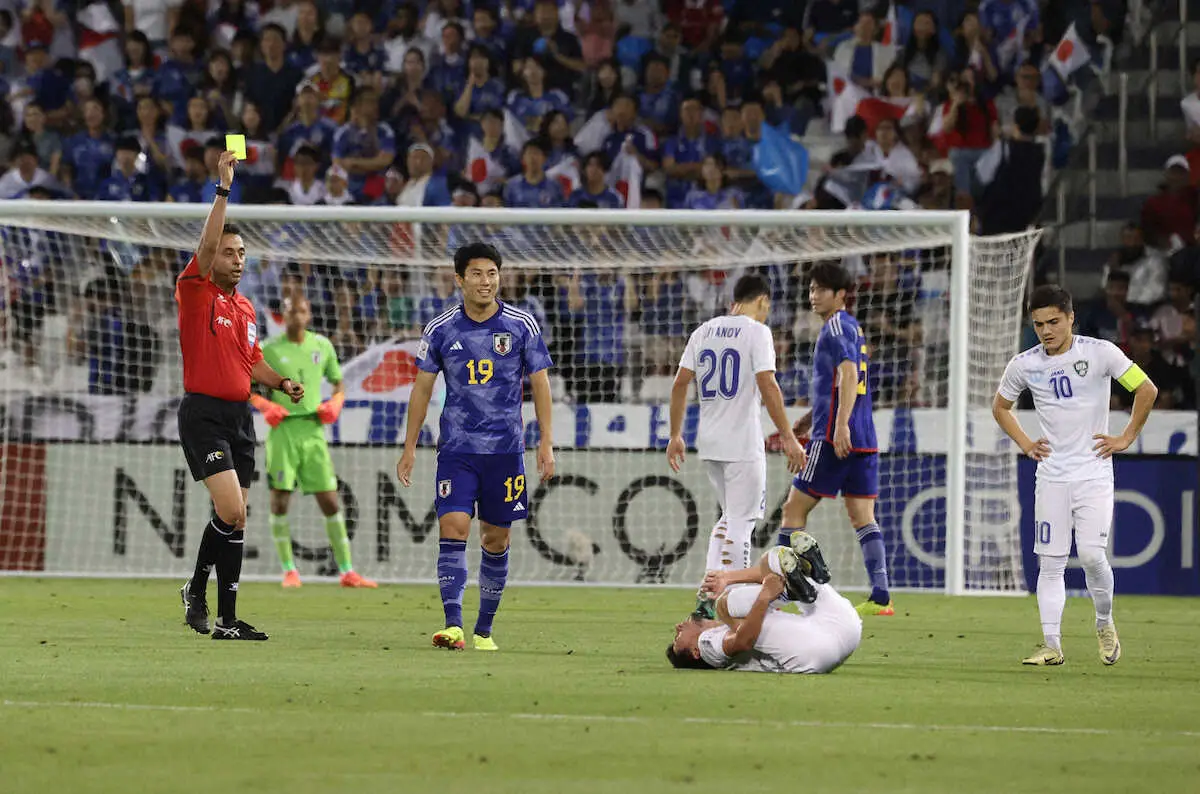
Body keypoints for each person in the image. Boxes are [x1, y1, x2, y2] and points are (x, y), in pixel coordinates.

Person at [396, 242, 556, 652]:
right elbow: (422, 388)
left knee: (495, 539)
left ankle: (484, 630)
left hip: (505, 452)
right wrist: (409, 445)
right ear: (459, 280)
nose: (486, 282)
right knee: (453, 527)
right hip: (457, 450)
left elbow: (540, 383)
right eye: (477, 274)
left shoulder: (522, 325)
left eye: (492, 274)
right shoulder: (441, 329)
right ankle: (453, 625)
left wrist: (546, 443)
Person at [992, 285, 1158, 666]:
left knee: (1091, 556)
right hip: (1051, 475)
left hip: (1093, 473)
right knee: (1049, 563)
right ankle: (1052, 644)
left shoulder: (1100, 353)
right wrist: (1025, 443)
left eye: (1053, 321)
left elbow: (1146, 389)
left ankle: (1104, 623)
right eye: (1038, 324)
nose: (1046, 330)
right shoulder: (1024, 364)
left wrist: (1126, 437)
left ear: (1070, 318)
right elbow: (1001, 407)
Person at [176, 151, 305, 641]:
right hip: (204, 414)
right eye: (230, 253)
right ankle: (198, 593)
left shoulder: (246, 307)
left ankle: (224, 618)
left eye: (243, 254)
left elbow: (252, 361)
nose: (238, 260)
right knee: (232, 512)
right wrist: (224, 190)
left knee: (234, 518)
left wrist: (282, 382)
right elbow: (207, 246)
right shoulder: (195, 291)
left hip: (241, 417)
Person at [667, 274, 806, 617]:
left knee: (728, 521)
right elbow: (768, 384)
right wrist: (788, 436)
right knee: (742, 525)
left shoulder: (703, 331)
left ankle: (707, 598)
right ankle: (737, 601)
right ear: (762, 301)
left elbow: (680, 383)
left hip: (710, 441)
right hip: (742, 442)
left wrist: (675, 435)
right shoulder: (757, 332)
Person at [779, 261, 893, 617]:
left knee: (792, 511)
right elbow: (843, 382)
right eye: (811, 290)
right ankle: (880, 596)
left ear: (841, 294)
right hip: (864, 437)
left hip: (832, 439)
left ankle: (787, 590)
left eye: (820, 290)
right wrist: (810, 418)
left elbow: (846, 374)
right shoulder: (853, 327)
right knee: (862, 515)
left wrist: (837, 425)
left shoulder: (834, 327)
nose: (813, 296)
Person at [251, 294, 377, 589]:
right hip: (283, 430)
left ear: (309, 315)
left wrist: (336, 403)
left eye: (302, 309)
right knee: (280, 499)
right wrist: (264, 405)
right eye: (292, 309)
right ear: (283, 315)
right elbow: (245, 385)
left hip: (313, 428)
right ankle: (289, 570)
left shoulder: (322, 346)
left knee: (331, 500)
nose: (297, 314)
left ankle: (347, 570)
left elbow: (338, 383)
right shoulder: (269, 349)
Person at [667, 535, 862, 674]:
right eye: (678, 638)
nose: (678, 627)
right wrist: (765, 596)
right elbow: (742, 642)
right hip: (811, 651)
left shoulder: (730, 621)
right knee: (725, 604)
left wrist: (727, 578)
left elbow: (767, 573)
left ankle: (802, 583)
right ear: (694, 652)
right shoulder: (707, 647)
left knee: (774, 557)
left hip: (846, 628)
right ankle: (793, 587)